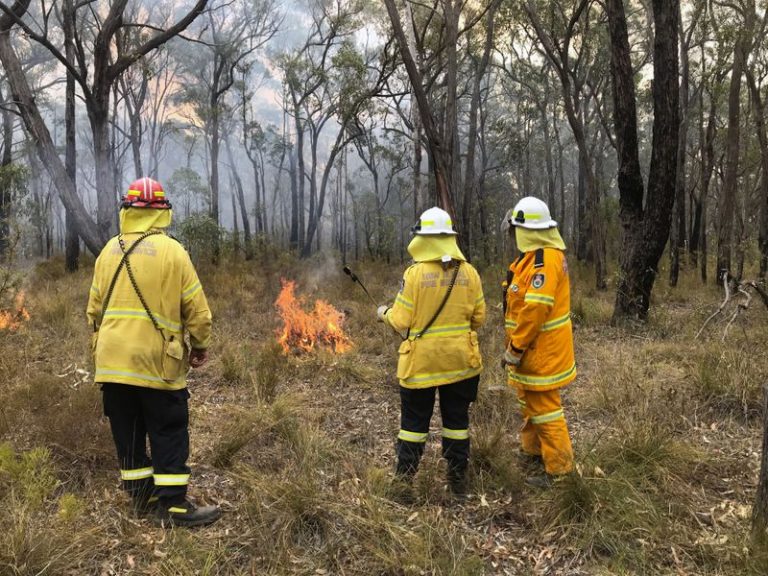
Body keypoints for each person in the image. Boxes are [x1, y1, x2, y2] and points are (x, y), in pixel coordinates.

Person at [87, 177, 220, 527]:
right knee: (168, 431)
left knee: (127, 435)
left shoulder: (107, 252)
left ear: (126, 210)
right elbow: (198, 311)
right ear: (163, 212)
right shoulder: (173, 252)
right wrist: (200, 345)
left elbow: (93, 313)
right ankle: (175, 507)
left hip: (113, 365)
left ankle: (141, 501)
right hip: (158, 366)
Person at [377, 207, 486, 497]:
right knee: (457, 423)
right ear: (449, 238)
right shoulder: (470, 272)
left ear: (424, 239)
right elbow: (479, 318)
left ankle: (403, 484)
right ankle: (457, 482)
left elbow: (400, 321)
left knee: (413, 425)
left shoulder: (414, 274)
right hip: (461, 363)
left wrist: (383, 313)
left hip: (421, 365)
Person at [501, 196, 576, 489]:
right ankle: (534, 452)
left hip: (540, 352)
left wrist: (515, 348)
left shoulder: (546, 260)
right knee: (530, 402)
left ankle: (559, 471)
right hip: (531, 350)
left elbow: (535, 310)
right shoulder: (530, 258)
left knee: (545, 408)